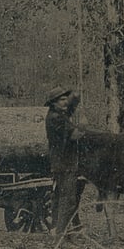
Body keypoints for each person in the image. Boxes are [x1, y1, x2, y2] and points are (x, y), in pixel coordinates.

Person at [44, 86, 85, 236]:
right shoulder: (56, 118)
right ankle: (61, 232)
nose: (65, 102)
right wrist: (82, 125)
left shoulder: (58, 114)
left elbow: (70, 107)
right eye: (61, 100)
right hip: (65, 163)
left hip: (60, 162)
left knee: (60, 196)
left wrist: (76, 98)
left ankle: (56, 228)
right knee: (68, 198)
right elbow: (74, 135)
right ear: (53, 103)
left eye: (65, 99)